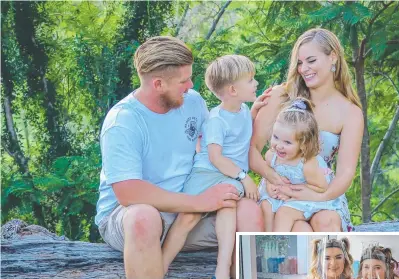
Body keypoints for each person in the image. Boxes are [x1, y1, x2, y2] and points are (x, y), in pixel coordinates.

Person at [95, 36, 264, 279]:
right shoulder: (123, 121)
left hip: (188, 210)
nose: (191, 85)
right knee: (145, 217)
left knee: (249, 211)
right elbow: (128, 194)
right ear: (158, 84)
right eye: (184, 81)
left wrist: (255, 112)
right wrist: (199, 203)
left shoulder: (192, 102)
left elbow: (214, 143)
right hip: (131, 218)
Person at [250, 28, 364, 232]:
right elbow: (252, 149)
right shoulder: (280, 97)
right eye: (300, 63)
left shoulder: (350, 112)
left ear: (333, 57)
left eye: (311, 61)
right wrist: (276, 180)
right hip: (278, 192)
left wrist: (319, 196)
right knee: (298, 228)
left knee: (326, 222)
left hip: (321, 192)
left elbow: (346, 172)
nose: (304, 69)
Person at [161, 55, 259, 279]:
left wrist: (257, 109)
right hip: (208, 172)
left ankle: (222, 268)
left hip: (227, 176)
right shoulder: (216, 119)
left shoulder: (244, 110)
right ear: (233, 90)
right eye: (251, 79)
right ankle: (161, 265)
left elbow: (242, 132)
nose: (256, 84)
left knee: (228, 203)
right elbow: (215, 157)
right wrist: (244, 177)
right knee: (189, 217)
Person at [259, 97, 334, 232]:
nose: (279, 146)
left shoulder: (307, 163)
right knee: (266, 205)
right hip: (281, 194)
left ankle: (279, 241)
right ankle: (268, 238)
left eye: (287, 142)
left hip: (306, 199)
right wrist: (270, 185)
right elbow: (267, 174)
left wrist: (290, 191)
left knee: (284, 213)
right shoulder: (271, 155)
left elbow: (321, 188)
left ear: (303, 144)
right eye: (276, 137)